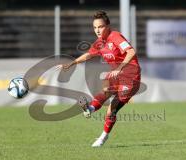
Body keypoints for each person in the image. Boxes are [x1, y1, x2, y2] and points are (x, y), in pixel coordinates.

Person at [56, 10, 141, 147]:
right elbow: (88, 55)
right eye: (95, 27)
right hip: (116, 74)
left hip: (131, 76)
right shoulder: (99, 43)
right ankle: (89, 109)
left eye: (100, 27)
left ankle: (102, 138)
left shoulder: (116, 36)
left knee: (111, 109)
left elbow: (131, 51)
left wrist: (120, 68)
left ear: (107, 26)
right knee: (105, 90)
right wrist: (72, 63)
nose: (97, 30)